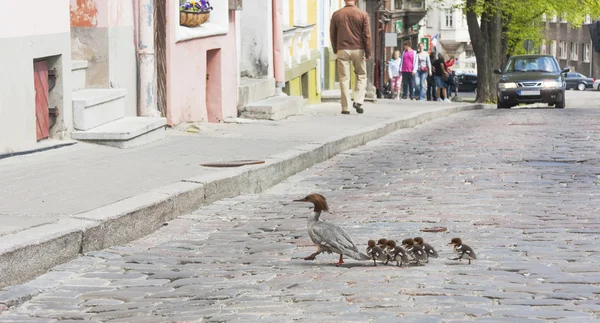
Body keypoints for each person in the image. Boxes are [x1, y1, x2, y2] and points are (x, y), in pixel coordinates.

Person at [330, 0, 372, 115]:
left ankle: (345, 107)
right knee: (361, 75)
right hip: (358, 49)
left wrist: (336, 49)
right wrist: (368, 51)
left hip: (342, 49)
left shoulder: (337, 14)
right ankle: (358, 100)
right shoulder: (362, 14)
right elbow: (367, 35)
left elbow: (332, 34)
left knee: (344, 79)